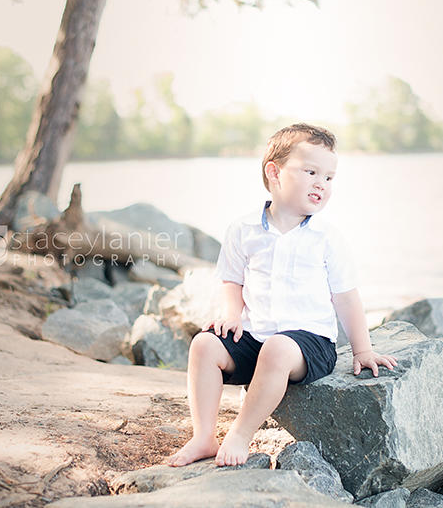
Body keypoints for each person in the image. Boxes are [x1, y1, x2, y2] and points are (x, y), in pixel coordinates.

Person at [167, 123, 398, 468]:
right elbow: (232, 282)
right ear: (274, 173)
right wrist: (231, 315)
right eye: (311, 172)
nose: (322, 183)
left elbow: (346, 297)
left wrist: (362, 349)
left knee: (278, 348)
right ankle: (204, 436)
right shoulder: (243, 230)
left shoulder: (327, 237)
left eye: (330, 177)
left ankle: (241, 433)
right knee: (204, 344)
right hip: (257, 336)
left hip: (309, 344)